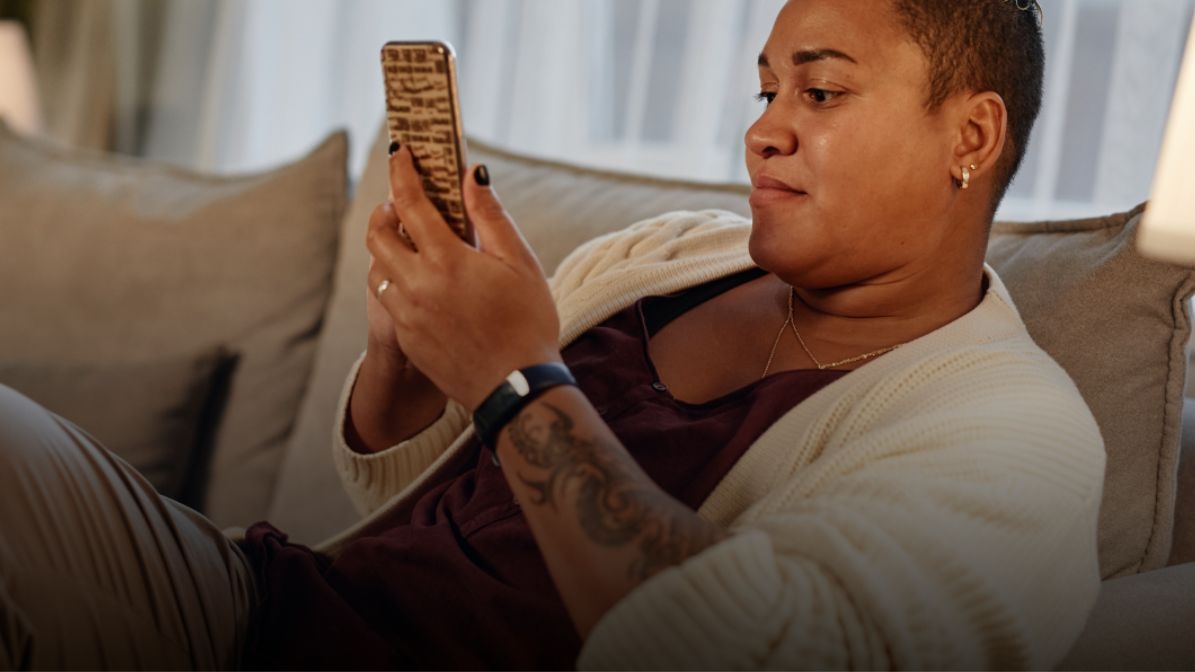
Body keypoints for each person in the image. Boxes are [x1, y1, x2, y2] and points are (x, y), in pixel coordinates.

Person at [0, 0, 1105, 669]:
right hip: (262, 607)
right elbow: (393, 492)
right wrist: (411, 349)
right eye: (767, 89)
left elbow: (740, 653)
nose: (763, 129)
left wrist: (516, 373)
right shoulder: (667, 252)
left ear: (969, 131)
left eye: (818, 93)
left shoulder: (1014, 435)